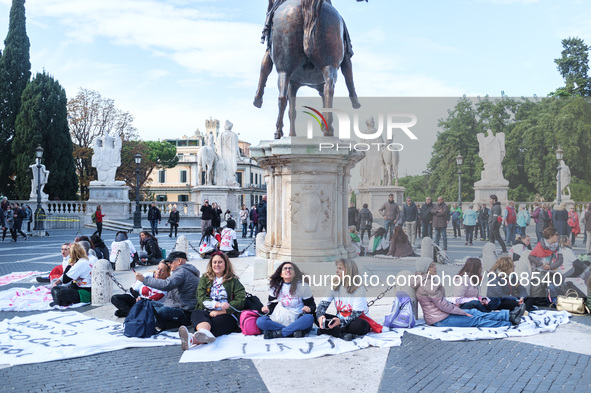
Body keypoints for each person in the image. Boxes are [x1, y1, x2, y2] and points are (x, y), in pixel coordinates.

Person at [412, 257, 524, 328]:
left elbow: (442, 304)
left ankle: (508, 315)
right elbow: (443, 305)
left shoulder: (428, 281)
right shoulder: (427, 283)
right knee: (475, 319)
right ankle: (508, 323)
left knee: (475, 313)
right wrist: (462, 312)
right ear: (426, 268)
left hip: (441, 315)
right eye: (432, 265)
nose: (435, 267)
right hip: (439, 319)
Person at [179, 252, 245, 350]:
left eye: (220, 262)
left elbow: (240, 300)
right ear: (211, 264)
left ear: (225, 264)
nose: (217, 265)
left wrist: (222, 310)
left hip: (226, 314)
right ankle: (204, 333)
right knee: (197, 313)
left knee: (216, 322)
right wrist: (216, 304)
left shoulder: (233, 280)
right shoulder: (205, 279)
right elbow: (201, 297)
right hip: (207, 310)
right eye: (214, 262)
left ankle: (192, 339)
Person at [135, 251, 200, 331]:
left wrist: (144, 280)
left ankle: (157, 321)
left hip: (185, 312)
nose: (169, 264)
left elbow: (166, 284)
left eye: (171, 262)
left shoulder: (182, 271)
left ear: (179, 261)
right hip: (175, 306)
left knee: (161, 311)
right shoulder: (184, 271)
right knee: (147, 302)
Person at [257, 262, 316, 339]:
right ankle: (292, 332)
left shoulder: (303, 286)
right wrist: (267, 309)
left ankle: (279, 333)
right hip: (279, 320)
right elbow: (271, 306)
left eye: (290, 268)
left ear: (294, 274)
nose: (288, 270)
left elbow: (312, 306)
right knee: (260, 321)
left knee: (309, 318)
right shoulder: (275, 287)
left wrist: (309, 309)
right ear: (281, 274)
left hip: (297, 320)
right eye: (285, 268)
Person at [316, 259, 372, 341]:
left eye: (340, 268)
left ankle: (330, 331)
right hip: (338, 319)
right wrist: (320, 317)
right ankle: (341, 333)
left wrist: (341, 322)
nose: (337, 271)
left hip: (355, 320)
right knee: (314, 316)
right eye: (337, 268)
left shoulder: (359, 288)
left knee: (362, 326)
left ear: (349, 271)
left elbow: (356, 314)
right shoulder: (333, 285)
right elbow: (322, 306)